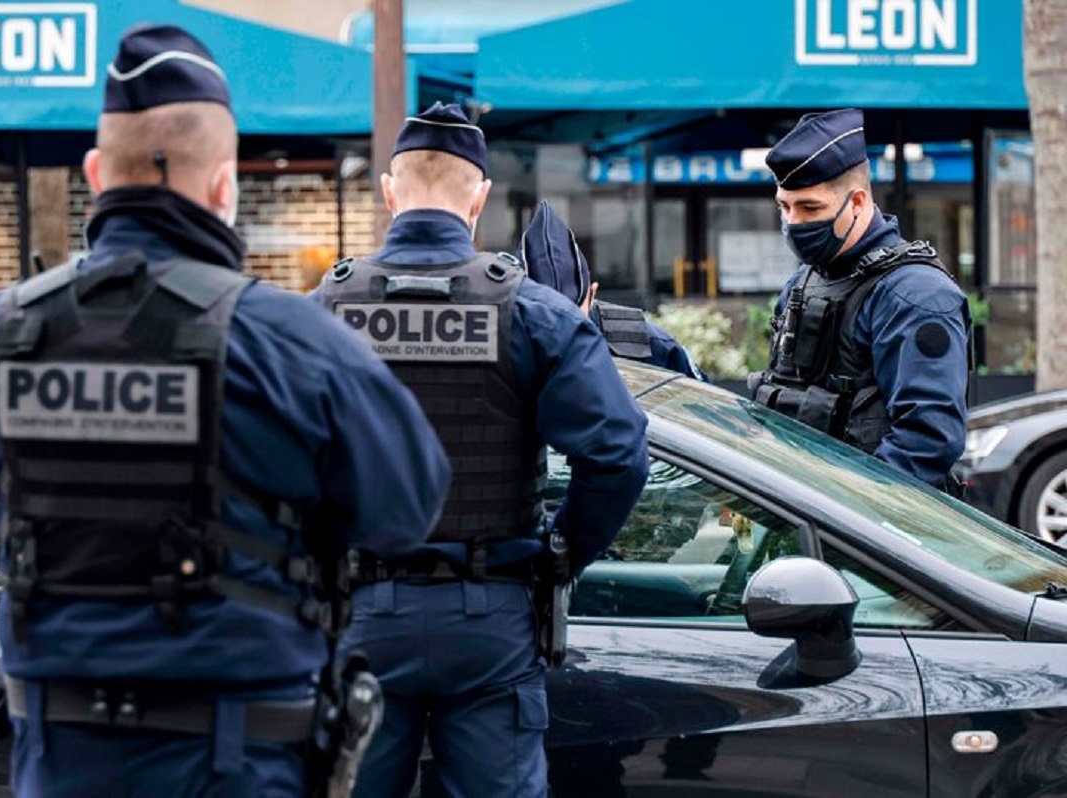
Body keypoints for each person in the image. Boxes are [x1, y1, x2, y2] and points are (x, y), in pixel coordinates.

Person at [0, 24, 451, 798]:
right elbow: (408, 509)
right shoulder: (295, 343)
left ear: (97, 173)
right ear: (222, 186)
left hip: (58, 761)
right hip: (239, 762)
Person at [316, 102, 649, 797]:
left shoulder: (326, 310)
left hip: (363, 614)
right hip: (490, 615)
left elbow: (272, 461)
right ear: (480, 198)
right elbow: (617, 456)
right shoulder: (534, 314)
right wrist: (558, 556)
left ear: (388, 191)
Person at [747, 108, 970, 487]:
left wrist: (842, 513)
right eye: (785, 207)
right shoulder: (804, 282)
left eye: (810, 207)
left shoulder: (916, 295)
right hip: (805, 512)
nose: (795, 222)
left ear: (858, 202)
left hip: (872, 529)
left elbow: (926, 442)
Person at [521, 200, 707, 380]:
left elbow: (702, 401)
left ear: (593, 294)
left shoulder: (646, 344)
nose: (559, 332)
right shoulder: (502, 345)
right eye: (543, 319)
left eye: (571, 316)